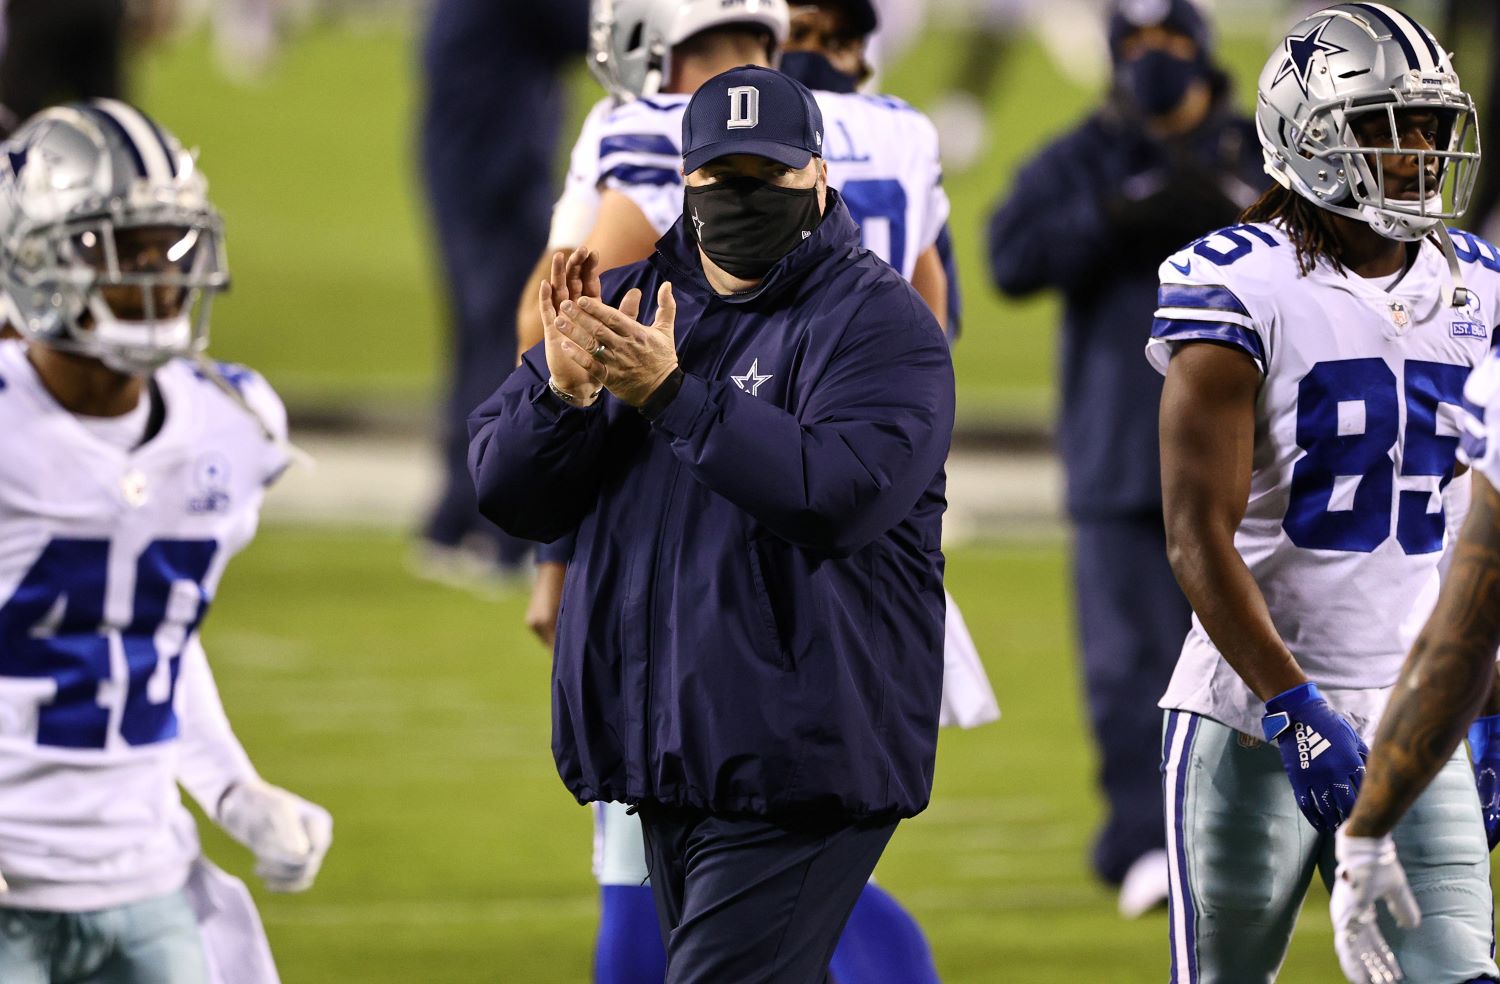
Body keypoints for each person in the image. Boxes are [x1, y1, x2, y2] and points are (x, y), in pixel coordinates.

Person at [519, 3, 991, 980]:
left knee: (689, 903)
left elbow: (571, 317)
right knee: (763, 893)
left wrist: (559, 554)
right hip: (853, 498)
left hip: (721, 538)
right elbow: (935, 316)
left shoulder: (646, 128)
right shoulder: (898, 129)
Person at [1150, 3, 1497, 980]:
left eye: (1431, 128)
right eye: (1391, 127)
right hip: (1247, 711)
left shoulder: (1483, 289)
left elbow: (1488, 528)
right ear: (1310, 135)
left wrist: (1493, 697)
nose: (1421, 153)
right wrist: (1291, 703)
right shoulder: (1240, 285)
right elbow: (1196, 536)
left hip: (1419, 712)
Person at [0, 100, 332, 983]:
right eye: (117, 254)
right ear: (34, 259)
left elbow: (153, 636)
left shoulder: (230, 423)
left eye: (167, 249)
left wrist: (233, 787)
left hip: (145, 877)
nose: (154, 281)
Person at [985, 0, 1264, 916]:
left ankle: (1280, 830)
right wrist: (1115, 217)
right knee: (1128, 662)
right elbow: (1010, 256)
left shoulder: (1262, 149)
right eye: (1136, 46)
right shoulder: (1085, 153)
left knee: (1277, 649)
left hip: (1250, 457)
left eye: (1169, 43)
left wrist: (1229, 209)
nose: (1153, 61)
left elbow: (1344, 245)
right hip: (1119, 450)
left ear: (1201, 49)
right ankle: (1149, 842)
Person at [415, 0, 589, 586]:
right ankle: (497, 524)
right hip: (499, 160)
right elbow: (592, 29)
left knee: (475, 329)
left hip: (460, 149)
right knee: (510, 328)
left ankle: (453, 516)